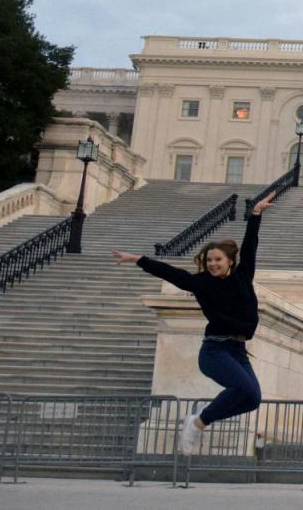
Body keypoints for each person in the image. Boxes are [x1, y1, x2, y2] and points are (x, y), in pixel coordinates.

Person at [111, 192, 272, 455]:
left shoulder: (244, 276)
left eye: (218, 260)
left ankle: (200, 417)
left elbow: (250, 245)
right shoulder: (201, 283)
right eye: (209, 260)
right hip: (214, 350)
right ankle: (198, 423)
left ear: (230, 261)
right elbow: (172, 274)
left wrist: (255, 215)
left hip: (238, 351)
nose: (212, 264)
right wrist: (139, 260)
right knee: (241, 388)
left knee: (253, 399)